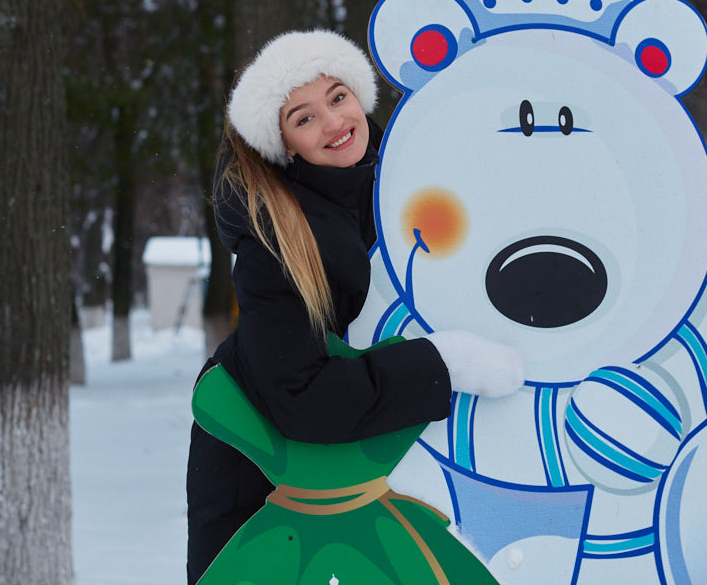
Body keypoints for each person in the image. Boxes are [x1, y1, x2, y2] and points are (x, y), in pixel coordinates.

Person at [186, 29, 524, 583]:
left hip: (374, 466)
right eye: (304, 117)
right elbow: (304, 398)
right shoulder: (276, 237)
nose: (334, 123)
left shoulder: (402, 184)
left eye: (337, 97)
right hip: (266, 479)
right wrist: (442, 362)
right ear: (285, 145)